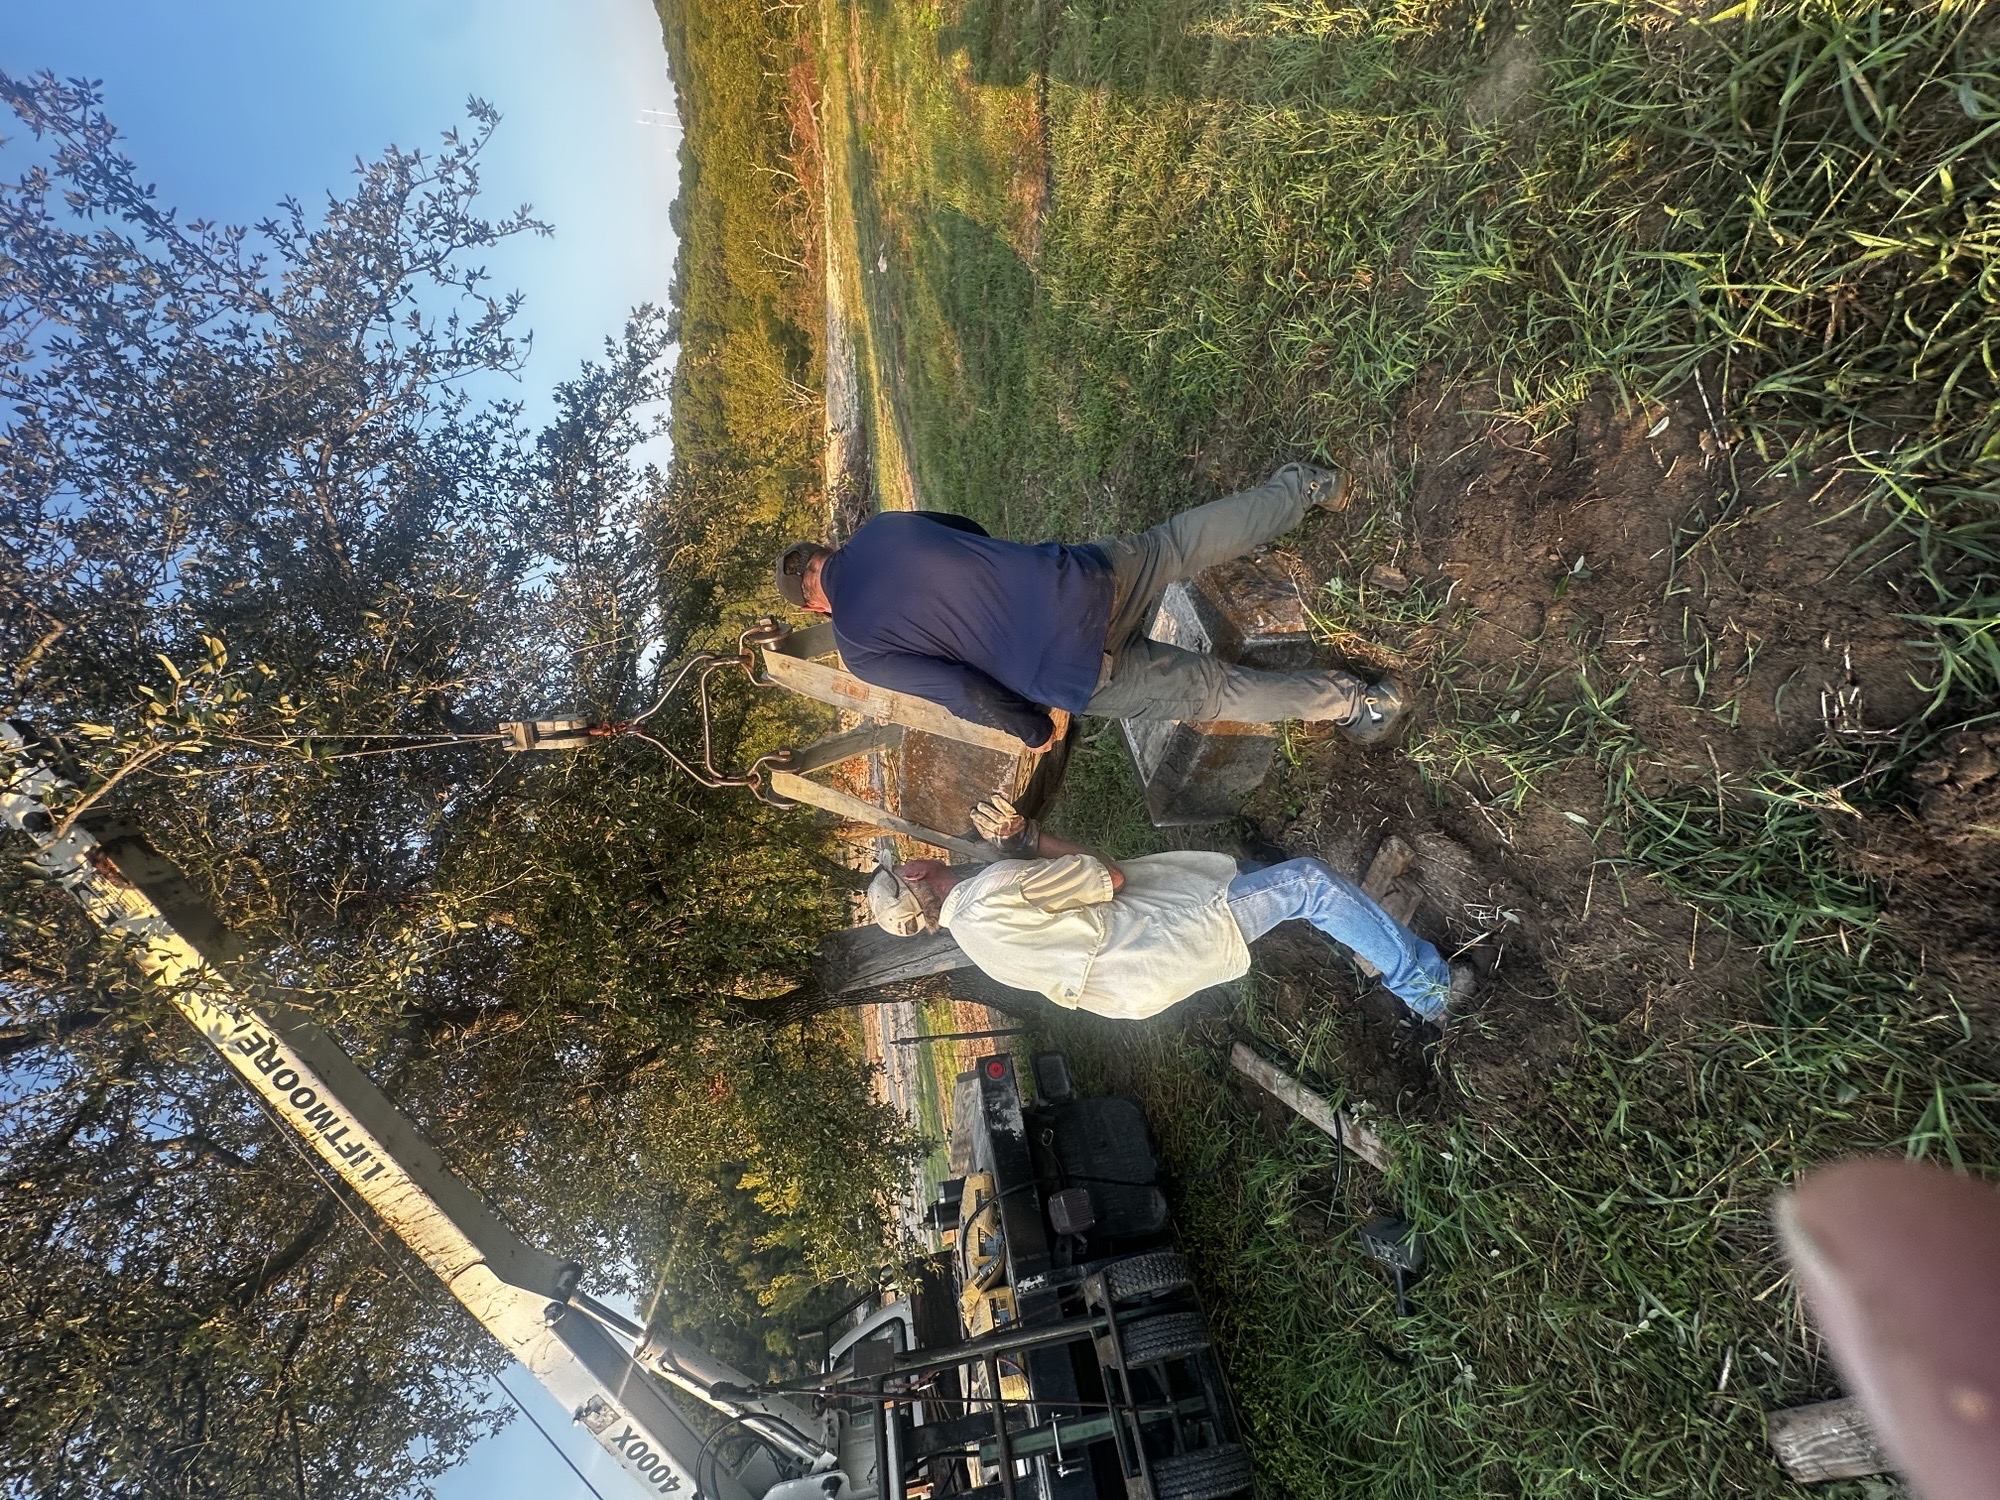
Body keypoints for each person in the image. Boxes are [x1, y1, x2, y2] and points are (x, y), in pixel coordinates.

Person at [773, 465, 1405, 752]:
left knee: (1214, 693)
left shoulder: (859, 648)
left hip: (1075, 670)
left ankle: (1362, 702)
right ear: (825, 551)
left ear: (812, 608)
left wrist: (1035, 731)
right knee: (1174, 544)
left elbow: (961, 688)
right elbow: (966, 530)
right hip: (1080, 580)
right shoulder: (882, 528)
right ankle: (1309, 487)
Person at [867, 797, 1471, 1029]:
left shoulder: (975, 944)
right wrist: (1031, 841)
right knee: (1309, 885)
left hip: (1139, 989)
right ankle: (1428, 990)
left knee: (1284, 896)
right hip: (1166, 937)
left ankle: (1402, 966)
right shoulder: (991, 892)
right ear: (916, 875)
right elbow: (1109, 875)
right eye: (909, 864)